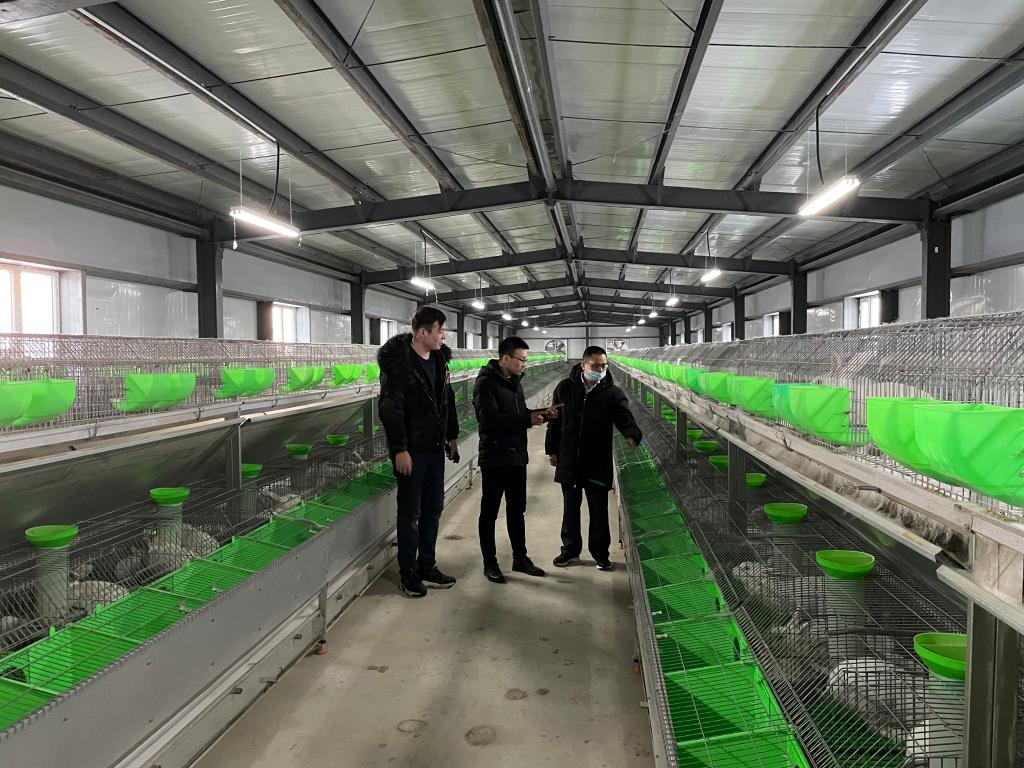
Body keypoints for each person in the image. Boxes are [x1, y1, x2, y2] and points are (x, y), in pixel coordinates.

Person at [378, 307, 460, 598]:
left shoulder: (439, 360)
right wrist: (399, 448)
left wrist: (452, 435)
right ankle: (408, 572)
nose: (443, 336)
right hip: (411, 452)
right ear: (423, 332)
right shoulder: (398, 365)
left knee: (433, 509)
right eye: (440, 331)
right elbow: (390, 409)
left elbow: (447, 399)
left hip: (435, 449)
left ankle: (427, 565)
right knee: (410, 513)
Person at [545, 346, 642, 571]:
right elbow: (555, 421)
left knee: (598, 511)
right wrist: (552, 449)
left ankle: (600, 554)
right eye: (596, 366)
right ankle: (570, 551)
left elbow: (624, 416)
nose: (600, 370)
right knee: (570, 509)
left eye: (604, 366)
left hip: (597, 462)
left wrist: (631, 434)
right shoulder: (565, 388)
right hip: (570, 459)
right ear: (583, 365)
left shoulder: (613, 393)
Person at [473, 337, 555, 584]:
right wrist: (526, 420)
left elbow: (519, 413)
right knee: (489, 512)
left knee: (517, 509)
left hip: (516, 456)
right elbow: (489, 421)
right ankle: (490, 563)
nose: (524, 364)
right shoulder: (485, 384)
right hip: (495, 457)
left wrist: (541, 415)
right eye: (521, 359)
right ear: (505, 358)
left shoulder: (514, 382)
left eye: (525, 360)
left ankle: (520, 558)